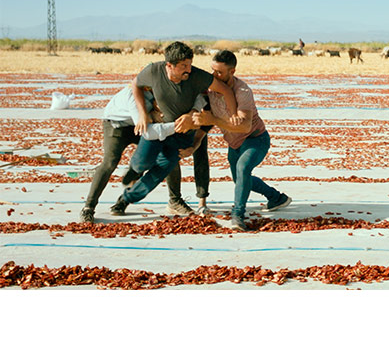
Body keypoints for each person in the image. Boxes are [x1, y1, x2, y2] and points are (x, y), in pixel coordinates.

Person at [109, 41, 239, 216]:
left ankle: (125, 200)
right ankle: (134, 169)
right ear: (169, 65)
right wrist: (142, 113)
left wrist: (233, 116)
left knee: (158, 173)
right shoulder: (154, 71)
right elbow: (136, 85)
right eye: (184, 66)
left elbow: (226, 91)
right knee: (142, 162)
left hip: (181, 136)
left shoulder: (197, 77)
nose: (189, 70)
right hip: (158, 130)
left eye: (190, 64)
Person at [192, 50, 292, 231]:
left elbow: (244, 127)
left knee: (243, 169)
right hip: (234, 143)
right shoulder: (210, 88)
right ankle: (276, 197)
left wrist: (213, 120)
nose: (214, 75)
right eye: (212, 70)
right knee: (240, 179)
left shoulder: (243, 91)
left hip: (255, 139)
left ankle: (238, 215)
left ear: (232, 71)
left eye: (219, 72)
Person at [78, 85, 207, 223]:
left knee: (169, 153)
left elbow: (194, 98)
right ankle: (88, 208)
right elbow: (148, 131)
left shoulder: (162, 90)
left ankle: (171, 201)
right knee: (110, 162)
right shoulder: (133, 96)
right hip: (117, 126)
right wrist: (177, 124)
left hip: (147, 125)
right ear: (146, 86)